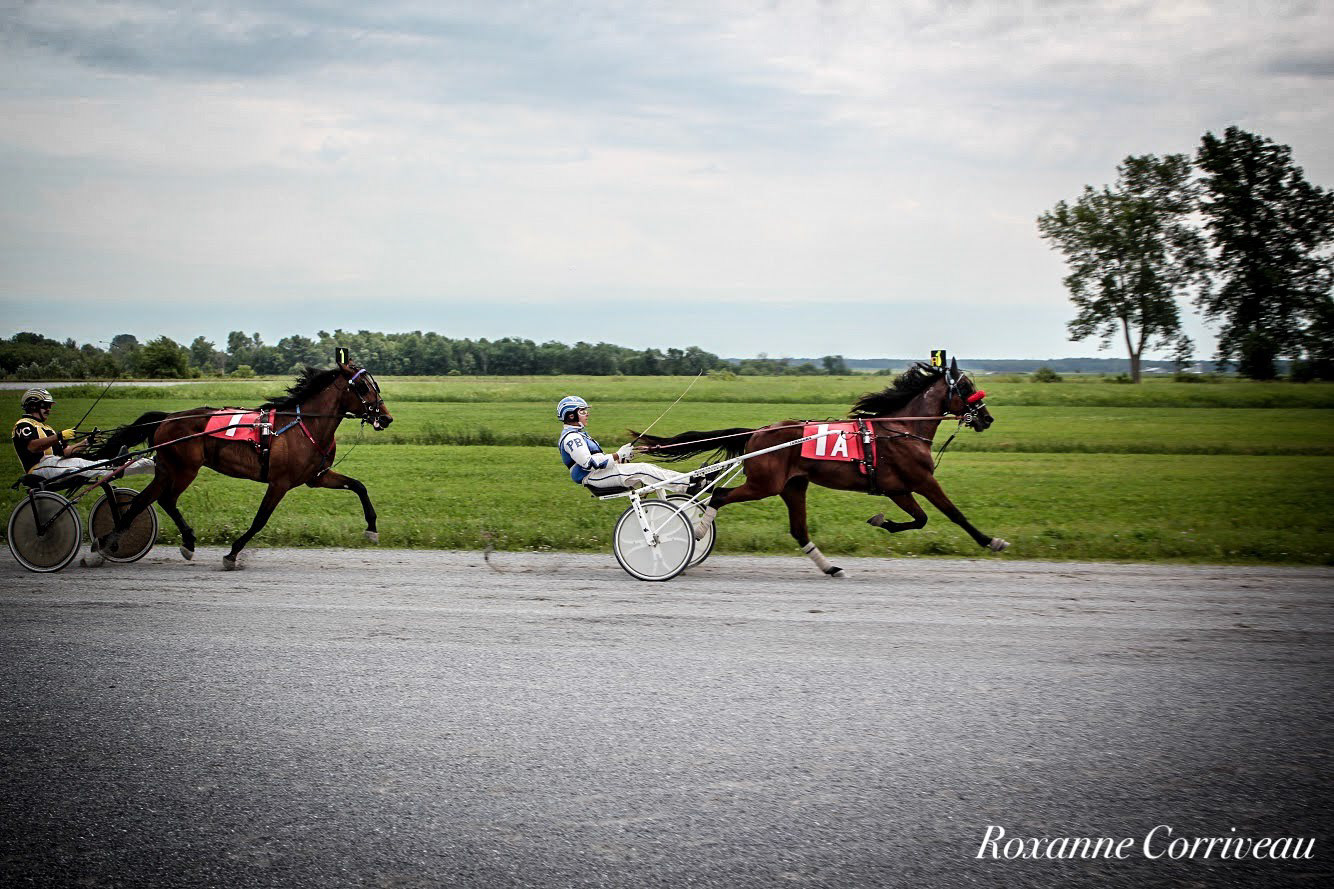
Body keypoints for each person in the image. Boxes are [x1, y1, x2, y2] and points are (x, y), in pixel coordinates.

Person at [556, 395, 692, 496]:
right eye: (582, 411)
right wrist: (618, 455)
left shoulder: (578, 434)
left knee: (647, 468)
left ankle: (687, 480)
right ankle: (687, 485)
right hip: (592, 477)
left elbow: (600, 460)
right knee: (643, 470)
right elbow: (589, 463)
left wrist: (621, 458)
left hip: (598, 474)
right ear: (571, 416)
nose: (587, 414)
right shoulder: (572, 438)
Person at [12, 388, 154, 483]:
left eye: (49, 406)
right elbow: (32, 447)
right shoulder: (23, 425)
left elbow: (66, 452)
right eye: (45, 405)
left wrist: (87, 442)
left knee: (90, 464)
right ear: (33, 405)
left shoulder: (47, 428)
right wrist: (60, 436)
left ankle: (149, 463)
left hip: (54, 463)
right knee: (88, 466)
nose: (49, 409)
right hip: (40, 468)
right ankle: (117, 465)